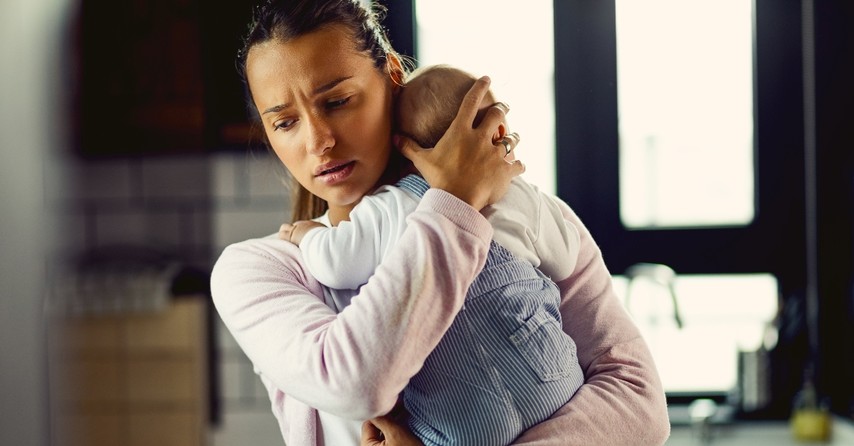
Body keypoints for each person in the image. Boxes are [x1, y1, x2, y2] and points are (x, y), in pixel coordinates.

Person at [209, 0, 671, 445]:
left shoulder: (523, 215)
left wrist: (456, 202)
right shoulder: (259, 270)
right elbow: (355, 383)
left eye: (337, 101)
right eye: (285, 123)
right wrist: (453, 202)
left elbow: (639, 403)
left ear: (392, 75)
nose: (319, 141)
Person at [279, 63, 585, 446]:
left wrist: (309, 235)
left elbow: (336, 265)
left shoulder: (390, 204)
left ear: (401, 145)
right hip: (555, 381)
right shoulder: (522, 195)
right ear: (499, 133)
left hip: (465, 419)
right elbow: (566, 260)